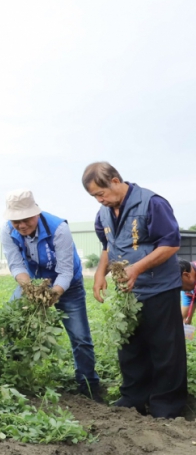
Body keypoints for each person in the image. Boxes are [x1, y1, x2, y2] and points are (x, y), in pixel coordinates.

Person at [83, 161, 185, 418]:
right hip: (128, 292)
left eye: (101, 193)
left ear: (115, 181)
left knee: (165, 348)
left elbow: (171, 244)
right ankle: (134, 398)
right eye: (94, 196)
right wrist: (100, 274)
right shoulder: (104, 213)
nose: (99, 200)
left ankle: (166, 406)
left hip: (159, 288)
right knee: (130, 347)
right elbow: (108, 245)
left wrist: (137, 269)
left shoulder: (152, 203)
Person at [0, 189, 101, 401]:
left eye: (26, 219)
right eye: (16, 221)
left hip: (67, 285)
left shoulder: (58, 229)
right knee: (10, 326)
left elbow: (65, 271)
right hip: (33, 283)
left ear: (36, 213)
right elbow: (16, 265)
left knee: (80, 337)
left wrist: (52, 295)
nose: (21, 225)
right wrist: (30, 289)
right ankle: (14, 380)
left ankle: (89, 388)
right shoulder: (8, 231)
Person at [178, 260, 196, 324]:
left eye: (179, 286)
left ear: (186, 275)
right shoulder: (187, 287)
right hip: (190, 290)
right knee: (184, 319)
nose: (179, 289)